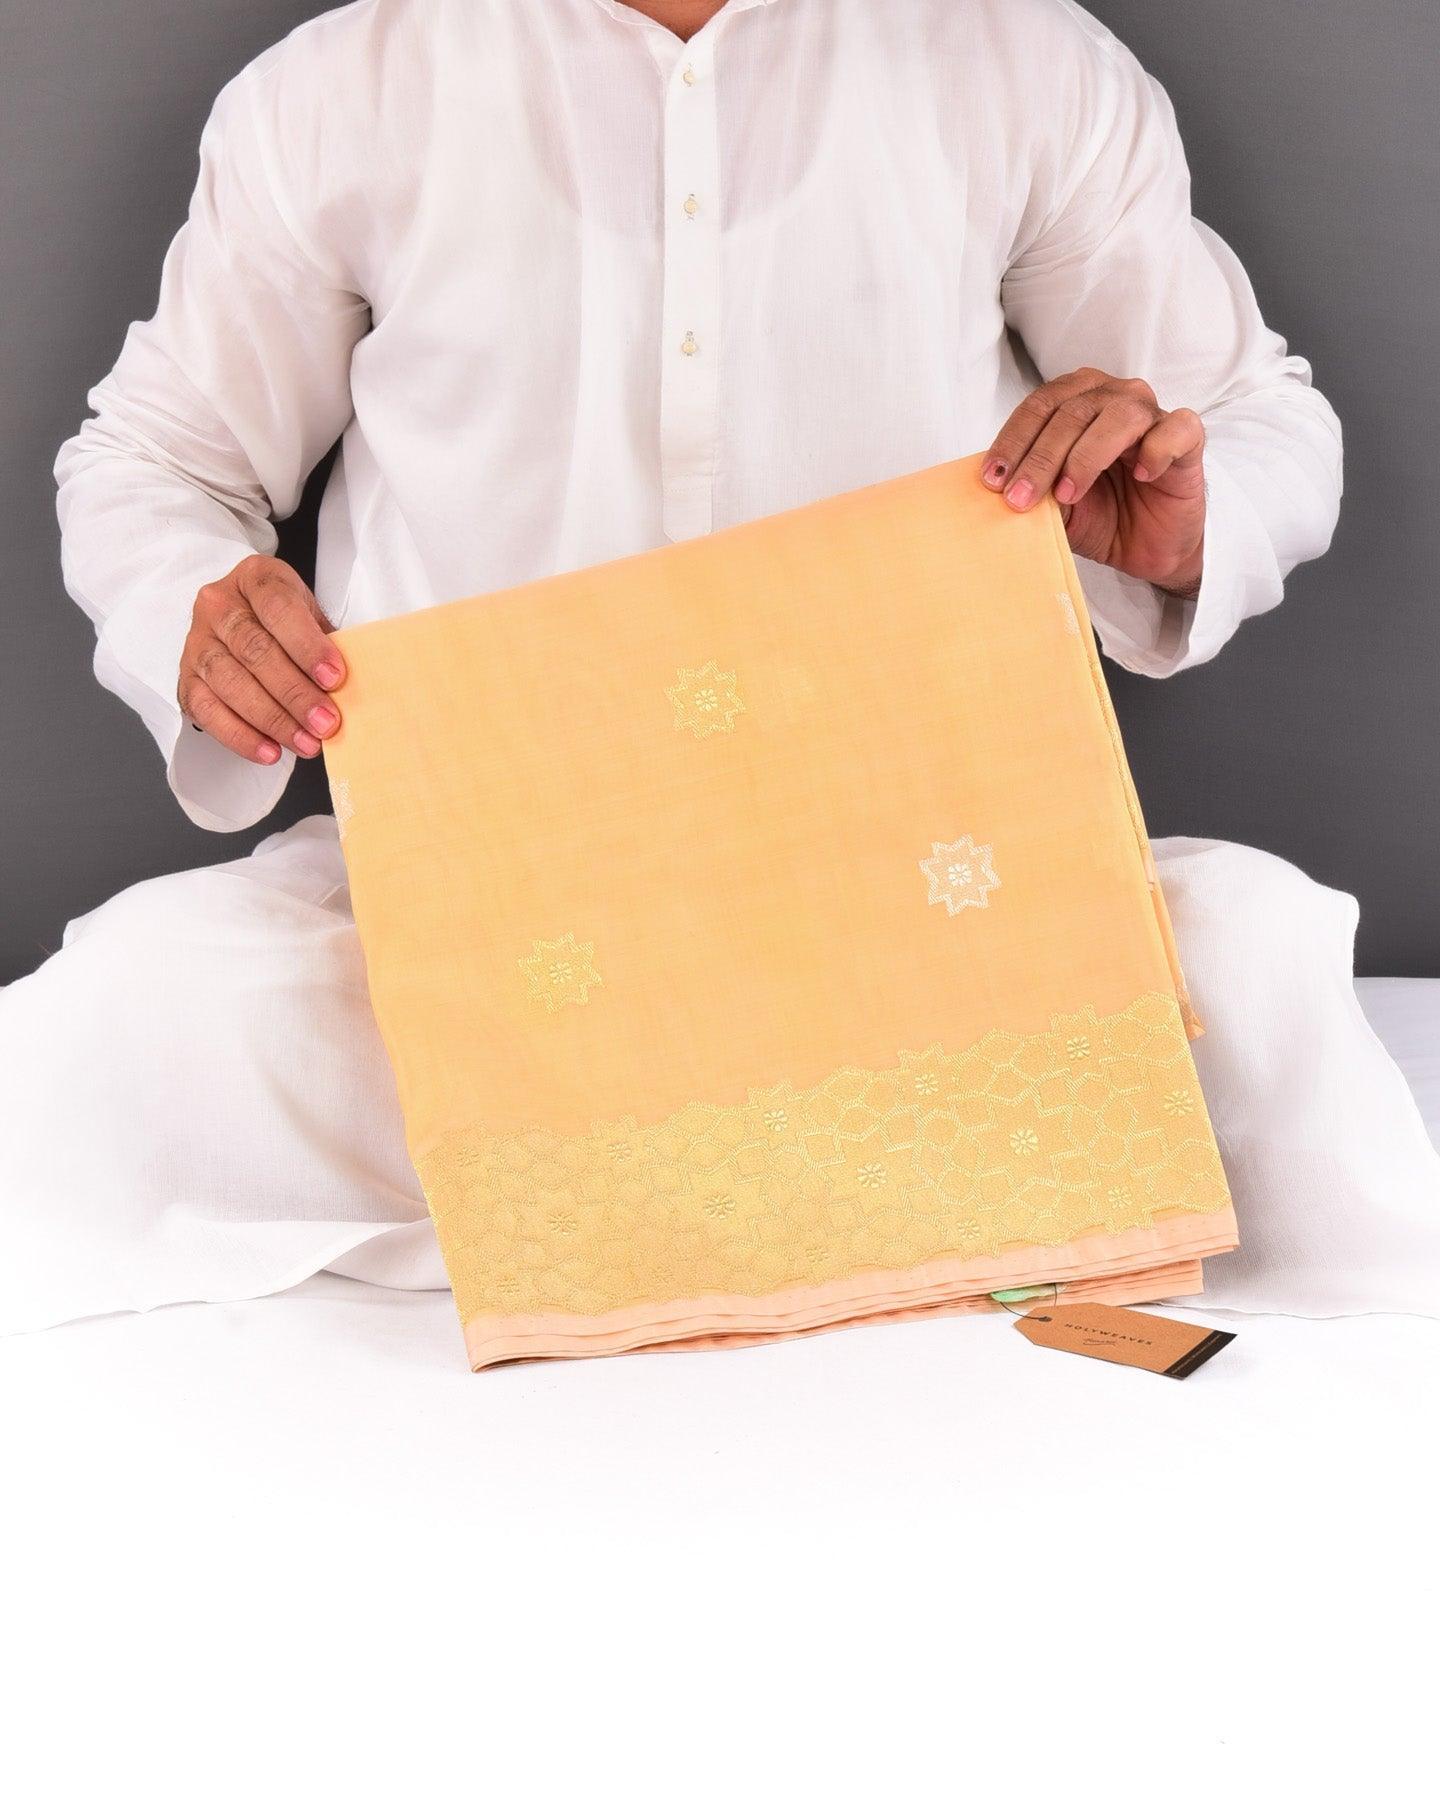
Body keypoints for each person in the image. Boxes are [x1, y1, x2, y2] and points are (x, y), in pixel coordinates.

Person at [5, 0, 1344, 1332]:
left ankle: (718, 1198)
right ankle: (847, 1196)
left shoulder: (1019, 57)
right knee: (129, 1009)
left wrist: (1183, 526)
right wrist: (198, 618)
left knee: (1262, 956)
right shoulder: (342, 86)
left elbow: (1252, 414)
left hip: (931, 893)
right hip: (500, 923)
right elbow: (156, 459)